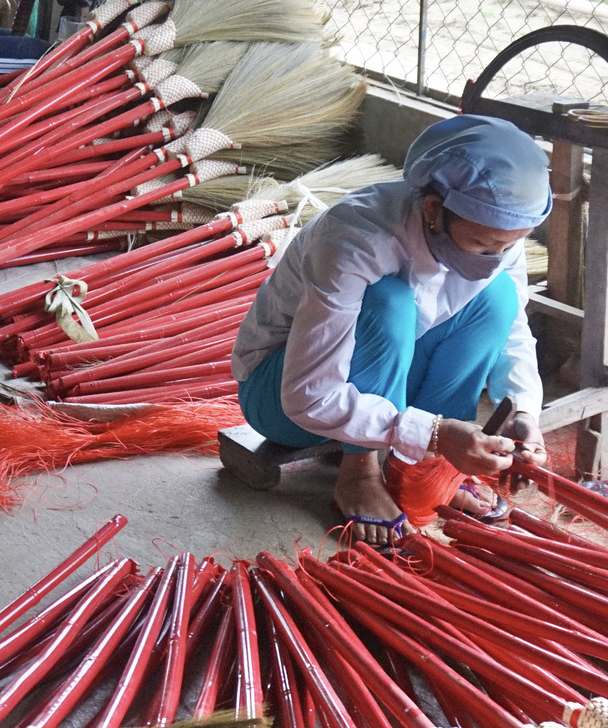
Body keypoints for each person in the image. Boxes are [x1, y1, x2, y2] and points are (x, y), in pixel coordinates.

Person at [232, 115, 551, 544]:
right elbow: (308, 396)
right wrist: (434, 432)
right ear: (434, 210)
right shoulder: (355, 238)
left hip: (387, 373)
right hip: (283, 394)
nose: (495, 257)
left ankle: (425, 467)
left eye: (507, 246)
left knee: (497, 300)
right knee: (390, 302)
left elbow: (512, 332)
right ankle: (359, 470)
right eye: (481, 245)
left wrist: (525, 412)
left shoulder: (495, 234)